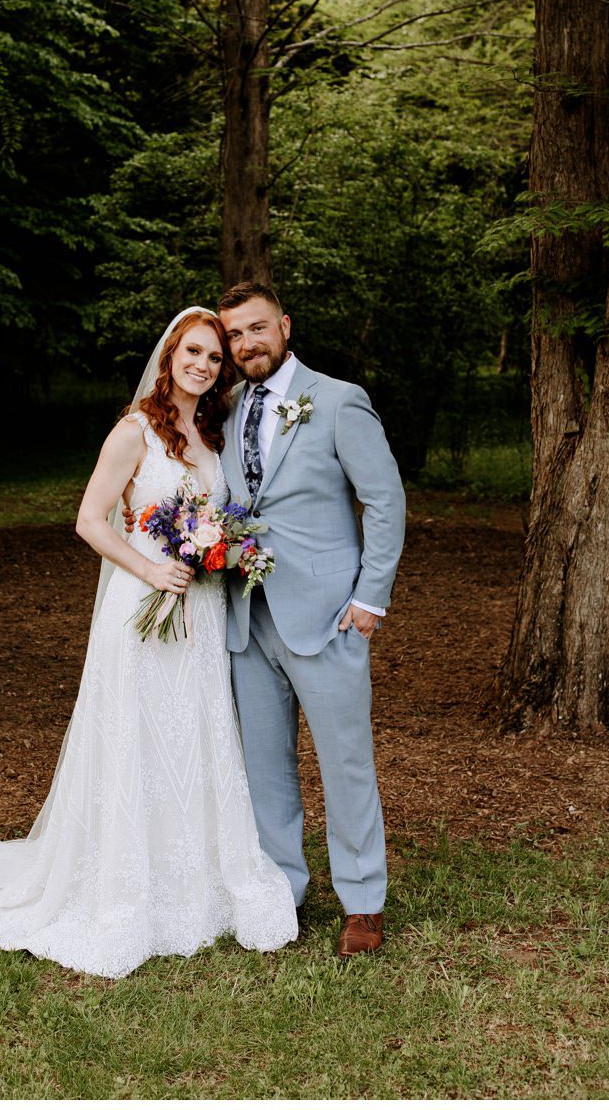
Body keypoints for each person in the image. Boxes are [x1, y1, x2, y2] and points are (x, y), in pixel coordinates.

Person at [0, 307, 299, 978]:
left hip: (197, 612)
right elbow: (88, 519)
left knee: (192, 738)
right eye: (192, 352)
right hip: (142, 605)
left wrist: (219, 551)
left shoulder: (209, 435)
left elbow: (215, 517)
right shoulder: (133, 431)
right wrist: (149, 567)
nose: (202, 365)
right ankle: (125, 886)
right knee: (137, 738)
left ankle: (194, 881)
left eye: (213, 358)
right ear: (170, 356)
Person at [213, 281, 406, 958]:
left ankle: (363, 903)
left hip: (328, 617)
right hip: (248, 615)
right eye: (235, 335)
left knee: (346, 762)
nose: (246, 345)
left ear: (285, 326)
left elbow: (384, 500)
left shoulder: (338, 400)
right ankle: (282, 892)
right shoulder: (229, 407)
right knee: (265, 768)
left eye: (257, 329)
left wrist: (369, 599)